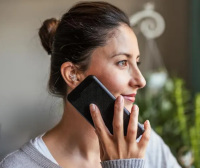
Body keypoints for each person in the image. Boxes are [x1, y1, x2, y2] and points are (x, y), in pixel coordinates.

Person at [0, 1, 181, 168]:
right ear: (73, 75)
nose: (141, 81)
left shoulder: (147, 146)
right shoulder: (19, 165)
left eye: (137, 63)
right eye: (122, 62)